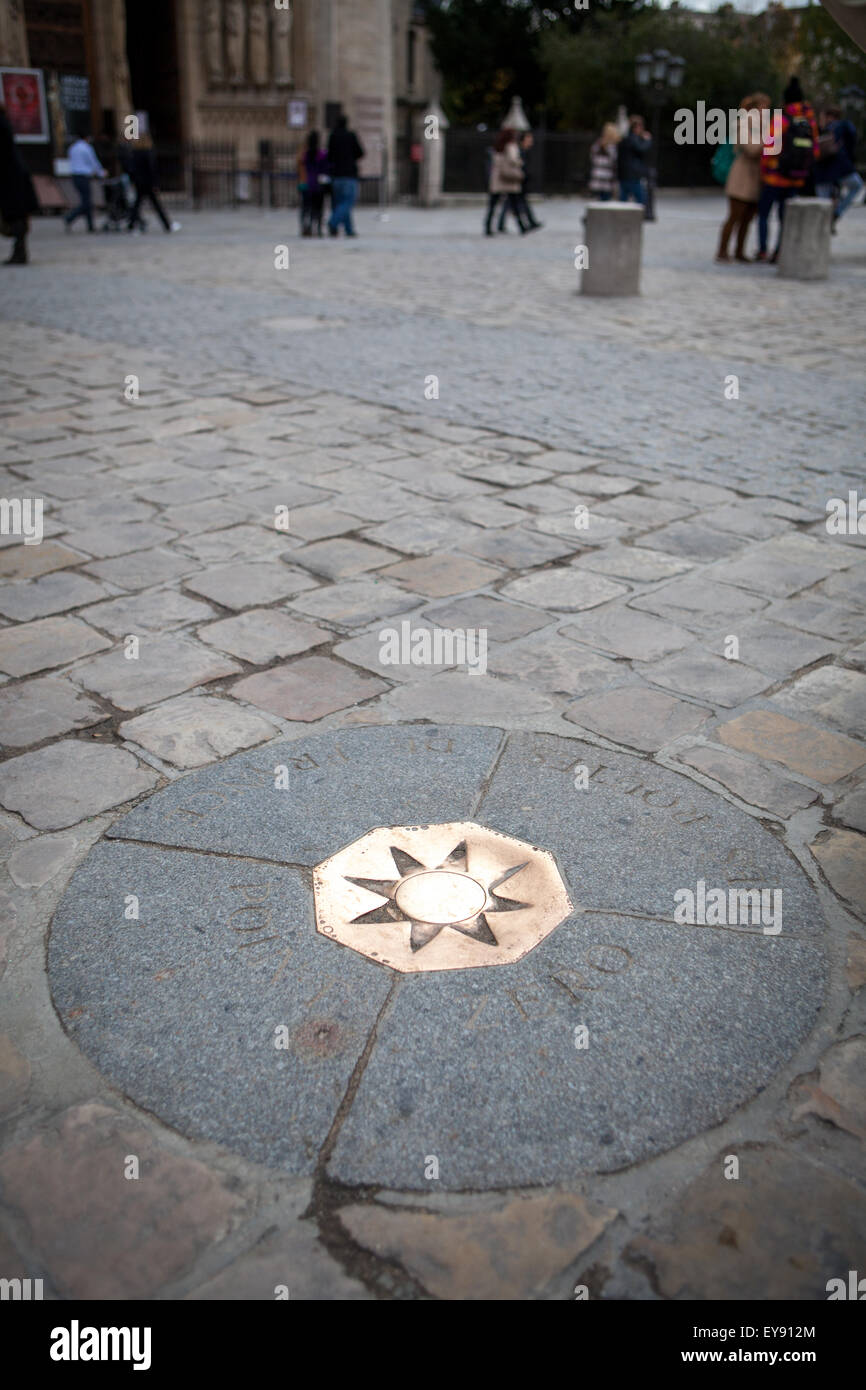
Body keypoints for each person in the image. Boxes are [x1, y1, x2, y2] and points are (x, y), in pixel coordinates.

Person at [755, 76, 819, 263]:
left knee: (764, 215)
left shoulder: (781, 119)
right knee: (785, 218)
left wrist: (765, 170)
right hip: (796, 178)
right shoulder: (809, 121)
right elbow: (814, 150)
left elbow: (770, 147)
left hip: (775, 177)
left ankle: (762, 250)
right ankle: (779, 251)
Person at [716, 92, 769, 263]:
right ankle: (722, 251)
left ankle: (739, 251)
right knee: (734, 216)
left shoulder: (764, 127)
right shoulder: (743, 124)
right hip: (742, 177)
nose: (766, 111)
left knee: (747, 218)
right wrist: (769, 139)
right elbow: (751, 149)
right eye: (763, 107)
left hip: (755, 178)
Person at [0, 104, 38, 265]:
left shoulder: (1, 124)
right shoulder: (4, 122)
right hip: (14, 177)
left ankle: (20, 252)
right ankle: (20, 251)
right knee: (18, 216)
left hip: (10, 179)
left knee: (16, 216)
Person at [815, 104, 864, 230]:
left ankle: (827, 223)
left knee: (824, 202)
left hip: (824, 171)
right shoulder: (844, 126)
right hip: (840, 169)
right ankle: (836, 213)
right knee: (855, 186)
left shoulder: (825, 129)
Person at [123, 133, 180, 233]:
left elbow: (130, 169)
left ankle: (131, 225)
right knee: (155, 205)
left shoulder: (134, 153)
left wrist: (134, 180)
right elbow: (152, 170)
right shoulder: (147, 153)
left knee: (137, 204)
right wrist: (155, 184)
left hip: (139, 183)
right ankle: (167, 225)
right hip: (147, 183)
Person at [484, 127, 528, 235]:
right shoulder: (511, 146)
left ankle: (488, 227)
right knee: (514, 204)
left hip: (498, 178)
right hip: (509, 178)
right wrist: (520, 162)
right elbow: (513, 159)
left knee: (493, 205)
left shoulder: (497, 146)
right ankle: (522, 227)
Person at [327, 114, 364, 237]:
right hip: (349, 174)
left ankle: (348, 230)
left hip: (336, 175)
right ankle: (333, 222)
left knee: (341, 204)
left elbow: (329, 156)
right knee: (348, 202)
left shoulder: (332, 136)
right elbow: (360, 153)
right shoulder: (350, 136)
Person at [499, 131, 542, 232]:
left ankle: (526, 224)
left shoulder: (521, 150)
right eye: (528, 139)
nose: (531, 141)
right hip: (516, 180)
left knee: (511, 203)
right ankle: (526, 224)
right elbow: (515, 163)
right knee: (512, 202)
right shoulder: (515, 149)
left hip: (518, 179)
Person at [64, 134, 105, 232]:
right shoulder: (86, 148)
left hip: (75, 176)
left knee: (86, 201)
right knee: (86, 202)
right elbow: (93, 161)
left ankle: (90, 225)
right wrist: (101, 172)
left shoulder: (73, 148)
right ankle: (70, 217)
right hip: (83, 176)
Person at [298, 130, 329, 236]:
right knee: (318, 208)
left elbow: (300, 169)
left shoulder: (304, 155)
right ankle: (318, 228)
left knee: (306, 207)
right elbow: (325, 169)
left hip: (306, 184)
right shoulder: (322, 154)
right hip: (317, 185)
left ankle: (306, 227)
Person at [618, 115, 651, 206]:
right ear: (636, 127)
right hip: (632, 175)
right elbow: (641, 148)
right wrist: (647, 140)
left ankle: (620, 218)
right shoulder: (633, 139)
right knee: (640, 199)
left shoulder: (625, 138)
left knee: (623, 200)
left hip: (624, 174)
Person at [588, 122, 621, 201]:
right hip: (607, 176)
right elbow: (613, 159)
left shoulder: (598, 143)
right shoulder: (611, 146)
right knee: (605, 199)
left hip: (597, 175)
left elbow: (592, 157)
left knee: (599, 199)